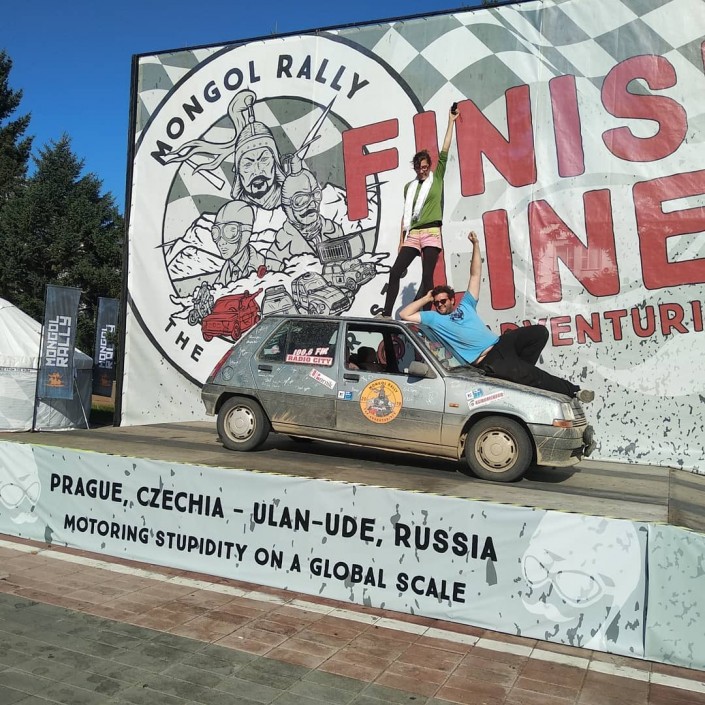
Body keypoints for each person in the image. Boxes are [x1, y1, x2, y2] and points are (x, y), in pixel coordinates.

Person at [400, 231, 595, 401]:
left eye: (443, 301)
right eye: (437, 303)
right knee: (532, 375)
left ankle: (519, 375)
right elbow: (404, 314)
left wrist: (476, 245)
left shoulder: (466, 305)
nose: (440, 305)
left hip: (502, 343)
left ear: (452, 300)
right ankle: (575, 391)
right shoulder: (434, 318)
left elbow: (475, 275)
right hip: (489, 360)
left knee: (539, 333)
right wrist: (427, 298)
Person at [380, 107, 460, 317]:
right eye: (418, 168)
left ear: (429, 166)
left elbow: (445, 148)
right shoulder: (410, 187)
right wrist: (401, 240)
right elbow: (405, 216)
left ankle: (426, 317)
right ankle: (386, 313)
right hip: (413, 234)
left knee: (427, 276)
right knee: (395, 271)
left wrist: (451, 121)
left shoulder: (437, 178)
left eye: (424, 167)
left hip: (432, 232)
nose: (422, 170)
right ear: (415, 168)